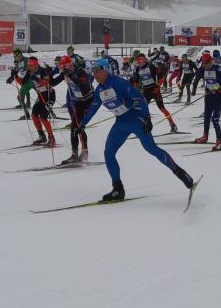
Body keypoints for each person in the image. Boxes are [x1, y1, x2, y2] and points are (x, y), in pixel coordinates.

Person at [78, 58, 197, 202]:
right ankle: (118, 189)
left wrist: (146, 117)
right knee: (108, 153)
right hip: (121, 122)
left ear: (105, 70)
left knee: (151, 149)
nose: (95, 74)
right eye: (93, 71)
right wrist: (82, 124)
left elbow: (139, 98)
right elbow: (93, 108)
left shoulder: (119, 82)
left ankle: (181, 173)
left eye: (97, 71)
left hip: (136, 119)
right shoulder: (99, 90)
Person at [54, 55, 94, 164]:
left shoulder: (80, 72)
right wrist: (48, 75)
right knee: (74, 127)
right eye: (62, 68)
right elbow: (53, 83)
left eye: (64, 67)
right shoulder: (65, 73)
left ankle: (84, 152)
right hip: (78, 102)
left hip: (87, 101)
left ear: (70, 65)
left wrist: (71, 77)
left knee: (79, 126)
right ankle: (74, 154)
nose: (63, 70)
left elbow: (84, 88)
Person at [130, 52, 180, 133]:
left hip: (154, 90)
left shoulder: (151, 66)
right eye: (139, 62)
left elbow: (162, 76)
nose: (140, 63)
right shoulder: (137, 69)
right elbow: (136, 81)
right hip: (146, 91)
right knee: (143, 109)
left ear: (144, 60)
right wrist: (137, 91)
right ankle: (144, 126)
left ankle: (172, 124)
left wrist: (158, 86)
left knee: (162, 108)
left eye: (141, 61)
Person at [193, 52, 221, 150]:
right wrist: (194, 89)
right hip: (209, 95)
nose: (204, 66)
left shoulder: (218, 69)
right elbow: (197, 77)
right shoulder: (204, 68)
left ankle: (219, 141)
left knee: (215, 119)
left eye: (206, 63)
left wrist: (220, 87)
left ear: (210, 61)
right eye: (203, 63)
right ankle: (205, 136)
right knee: (207, 116)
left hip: (218, 97)